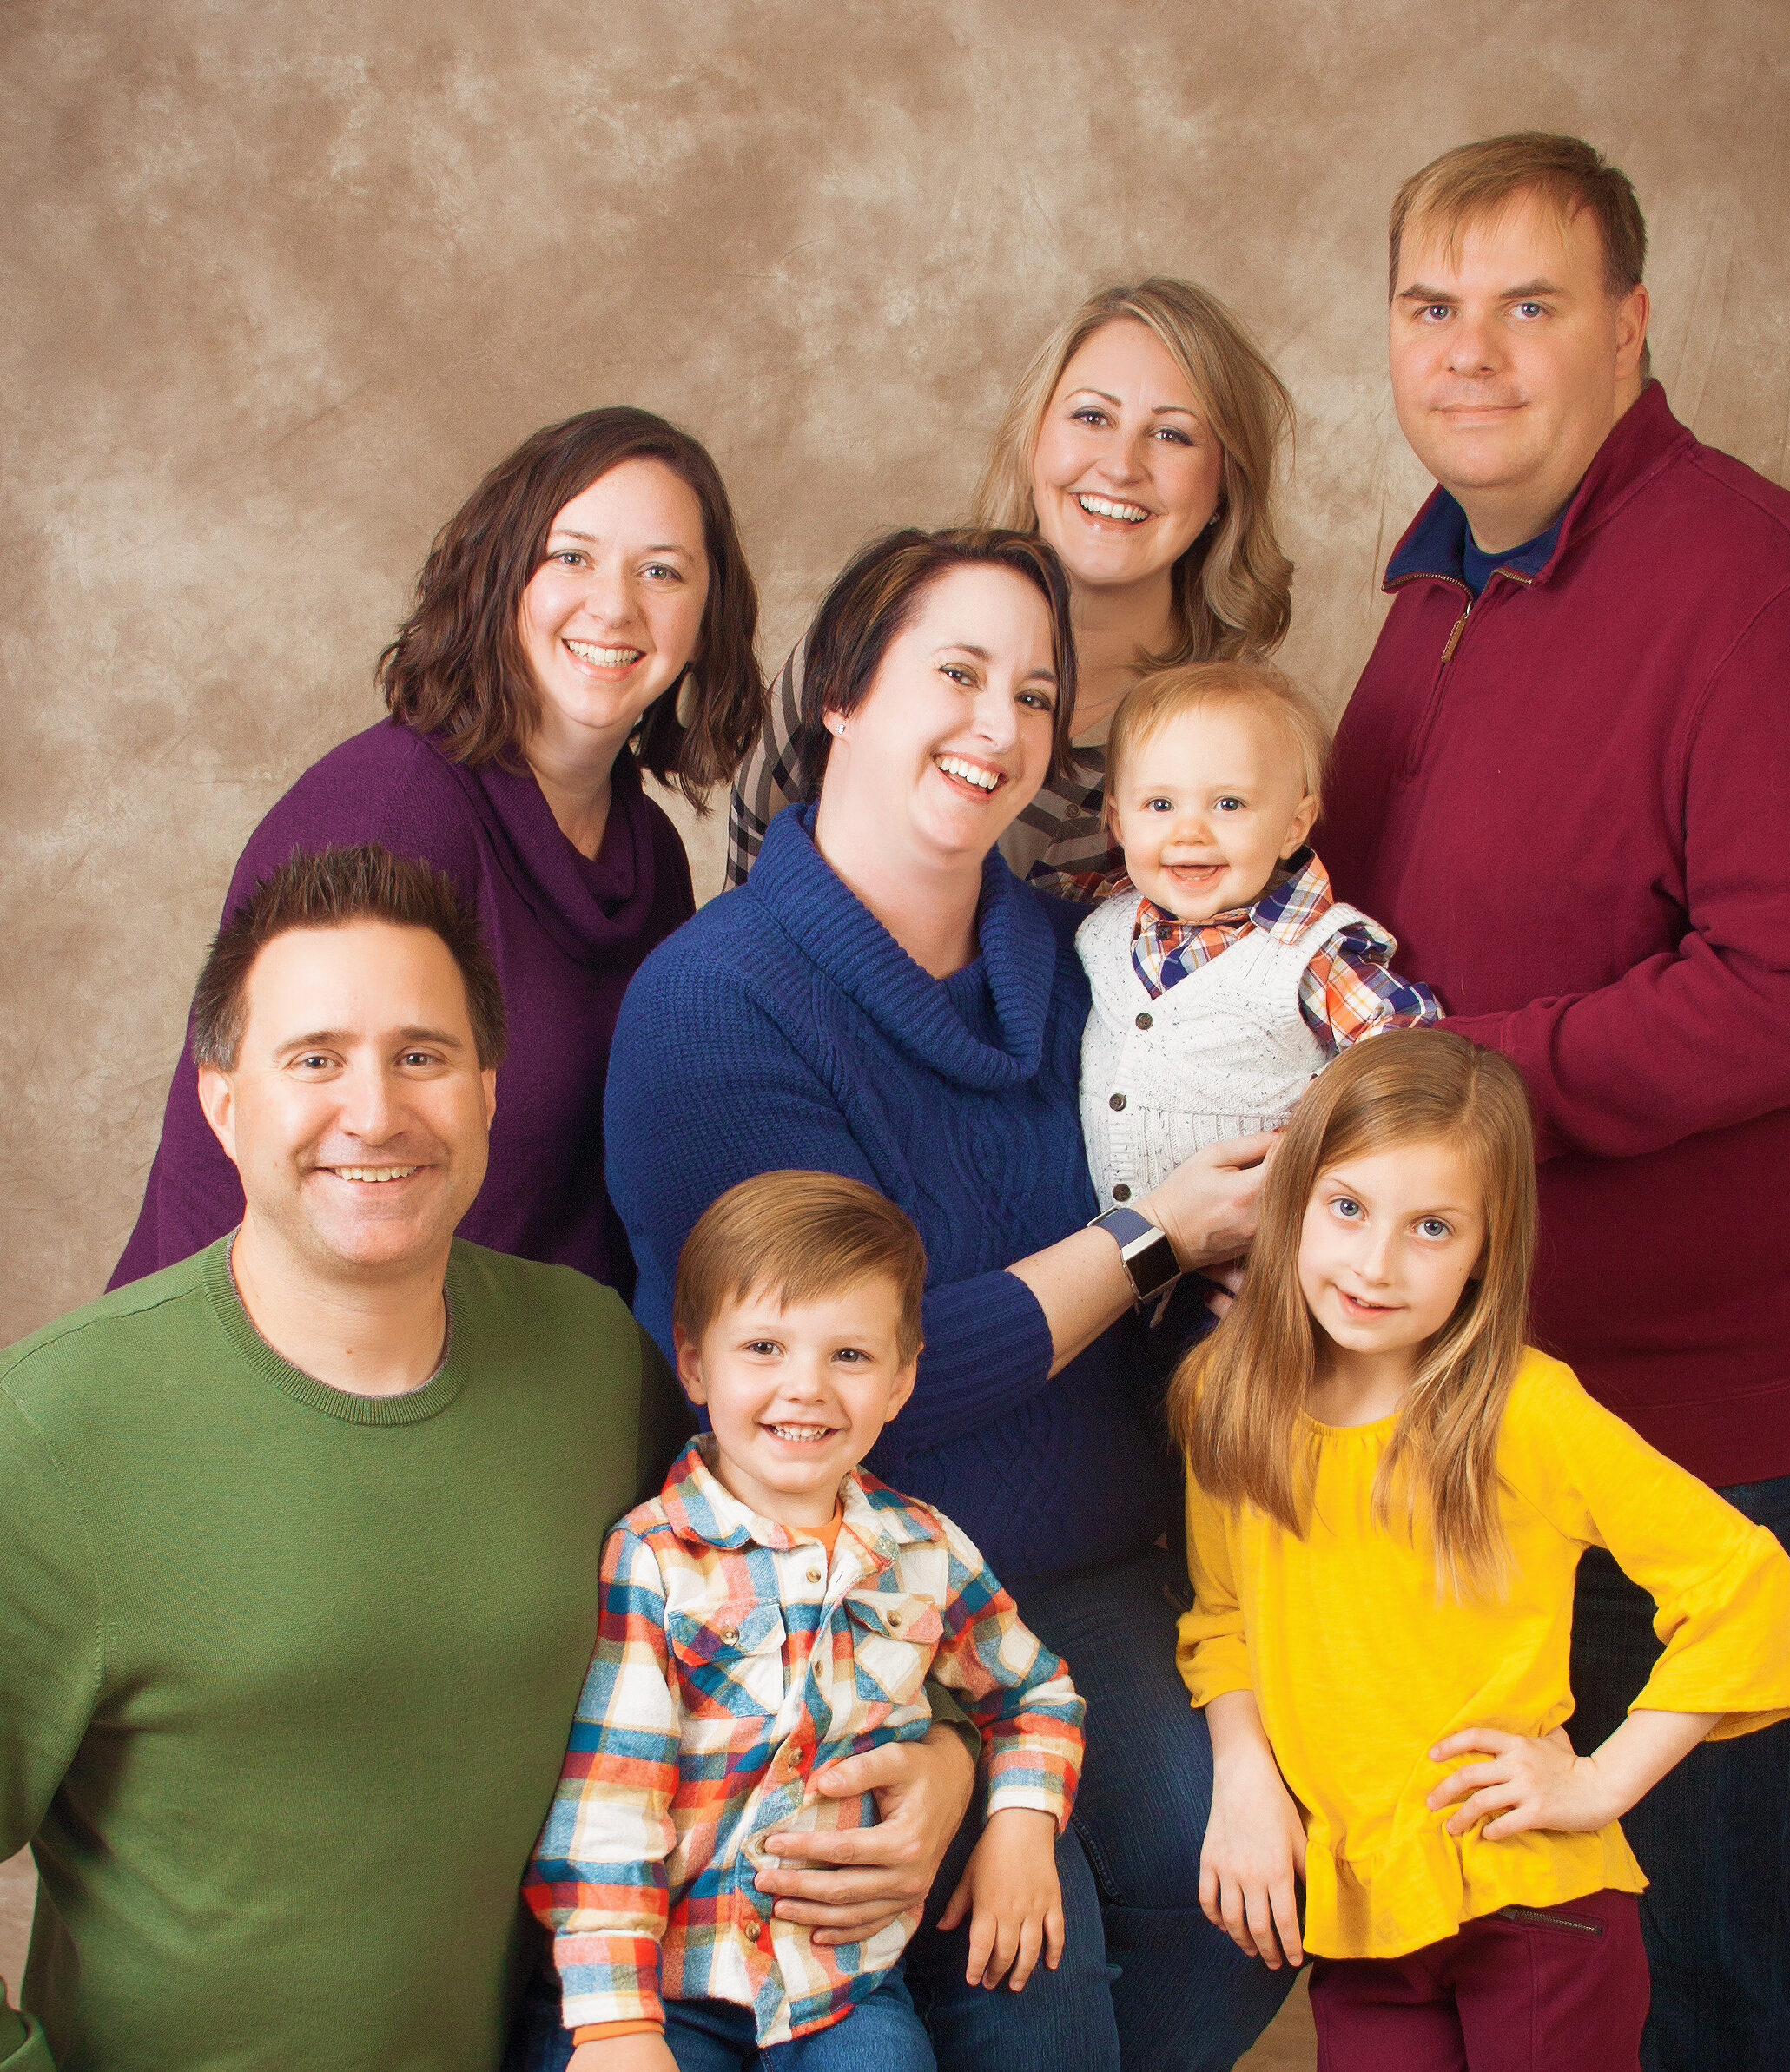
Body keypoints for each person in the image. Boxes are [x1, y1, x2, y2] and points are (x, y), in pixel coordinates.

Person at [1315, 133, 1790, 2069]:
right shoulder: (1439, 585)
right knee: (1540, 1970)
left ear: (1629, 328)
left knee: (1697, 1981)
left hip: (1722, 1423)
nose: (1471, 352)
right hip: (1493, 1409)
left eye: (1529, 304)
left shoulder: (1759, 588)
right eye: (1432, 306)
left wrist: (1465, 1079)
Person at [605, 528, 1296, 2071]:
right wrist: (1153, 1237)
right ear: (843, 695)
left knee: (1242, 1897)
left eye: (1034, 694)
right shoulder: (711, 1005)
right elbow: (863, 1377)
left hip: (1099, 1569)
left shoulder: (1083, 956)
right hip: (847, 1594)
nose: (998, 725)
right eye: (958, 674)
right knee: (1037, 1979)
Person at [0, 844, 697, 2070]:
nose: (374, 1112)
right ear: (223, 1102)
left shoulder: (593, 1364)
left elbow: (781, 1576)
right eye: (314, 1058)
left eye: (421, 1055)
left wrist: (943, 1760)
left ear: (488, 1090)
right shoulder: (53, 1427)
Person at [1173, 1032, 1790, 2070]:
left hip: (1534, 1907)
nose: (1375, 1264)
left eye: (1431, 1227)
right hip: (1365, 1922)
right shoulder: (1228, 1396)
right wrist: (1243, 1778)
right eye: (1347, 1207)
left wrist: (1601, 1782)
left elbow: (1747, 1589)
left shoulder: (1526, 1411)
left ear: (1487, 1248)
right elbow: (1224, 1621)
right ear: (1291, 1201)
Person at [110, 405, 764, 1299]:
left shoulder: (647, 851)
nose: (615, 605)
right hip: (314, 1357)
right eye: (570, 557)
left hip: (535, 1357)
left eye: (662, 571)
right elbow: (233, 1155)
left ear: (707, 614)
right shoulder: (389, 811)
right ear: (500, 578)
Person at [516, 1171, 1085, 2072]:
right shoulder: (656, 1557)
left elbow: (1035, 1693)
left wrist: (1021, 1821)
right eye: (764, 1348)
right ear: (695, 1364)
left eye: (849, 1355)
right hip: (658, 1988)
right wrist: (617, 2025)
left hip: (838, 1989)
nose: (806, 1388)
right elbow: (609, 1806)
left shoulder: (923, 1548)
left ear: (901, 1379)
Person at [724, 278, 1294, 889]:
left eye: (1172, 434)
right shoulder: (883, 624)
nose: (1121, 467)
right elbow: (747, 880)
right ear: (1034, 439)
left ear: (1225, 483)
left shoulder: (1244, 735)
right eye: (1092, 417)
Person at [1069, 659, 1440, 1208]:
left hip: (1257, 1237)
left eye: (1229, 804)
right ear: (1119, 823)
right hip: (1110, 1237)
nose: (1190, 831)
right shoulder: (1102, 920)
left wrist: (1310, 1138)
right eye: (1160, 804)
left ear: (1293, 825)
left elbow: (1409, 1045)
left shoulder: (1309, 954)